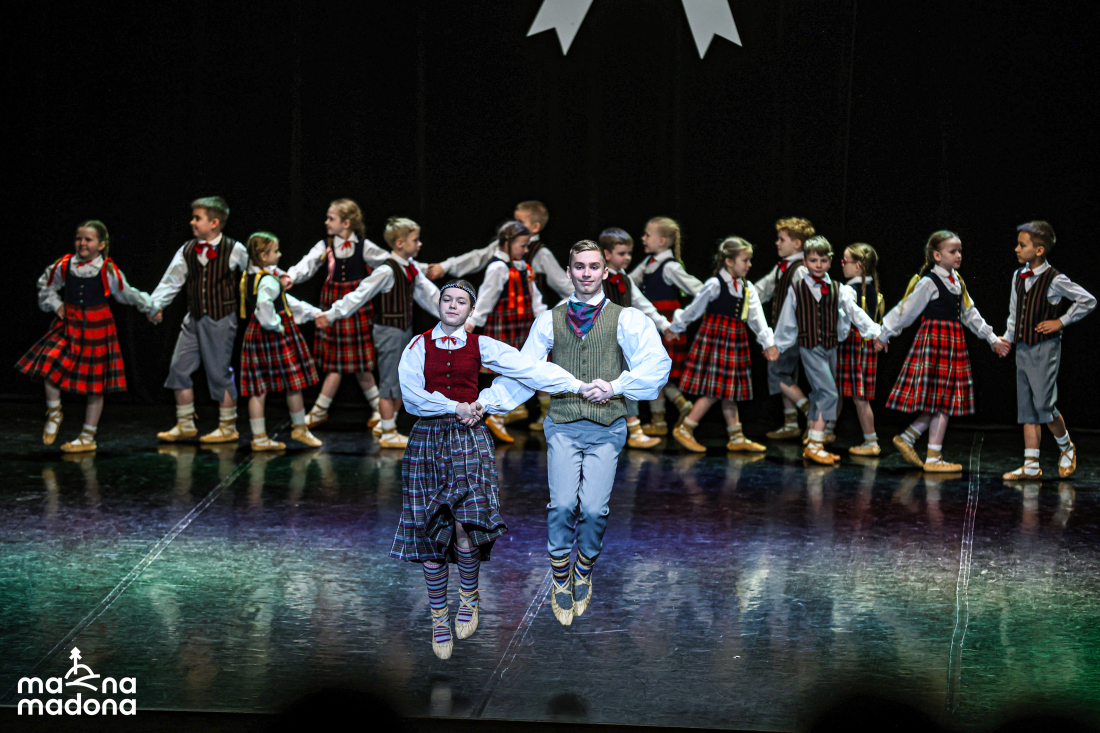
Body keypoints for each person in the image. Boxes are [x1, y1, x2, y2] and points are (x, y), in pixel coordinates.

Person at [391, 279, 588, 659]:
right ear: (439, 305)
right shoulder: (418, 345)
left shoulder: (481, 344)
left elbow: (529, 370)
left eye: (460, 302)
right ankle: (438, 616)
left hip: (468, 439)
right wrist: (453, 407)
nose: (452, 306)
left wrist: (576, 386)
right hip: (428, 440)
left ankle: (469, 595)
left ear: (471, 310)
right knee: (428, 532)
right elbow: (412, 397)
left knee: (466, 522)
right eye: (447, 299)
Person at [499, 240, 671, 627]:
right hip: (563, 423)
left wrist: (616, 386)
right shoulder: (550, 319)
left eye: (594, 266)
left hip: (607, 426)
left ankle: (584, 568)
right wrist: (487, 404)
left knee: (593, 510)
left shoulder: (626, 319)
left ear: (605, 272)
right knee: (562, 505)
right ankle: (561, 574)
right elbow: (525, 369)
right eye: (580, 266)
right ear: (569, 271)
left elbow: (656, 364)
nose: (587, 273)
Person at [875, 231, 1011, 472]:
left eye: (960, 251)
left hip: (952, 343)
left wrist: (992, 339)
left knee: (943, 400)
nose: (958, 255)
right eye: (953, 251)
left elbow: (969, 313)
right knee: (942, 400)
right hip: (935, 343)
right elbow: (905, 311)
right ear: (937, 255)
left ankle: (913, 441)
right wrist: (884, 334)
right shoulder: (929, 282)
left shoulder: (957, 281)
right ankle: (930, 456)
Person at [17, 220, 157, 452]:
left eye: (88, 239)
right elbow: (46, 286)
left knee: (94, 384)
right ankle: (54, 412)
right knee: (49, 362)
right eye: (79, 238)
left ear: (101, 244)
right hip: (69, 323)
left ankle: (87, 437)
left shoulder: (107, 270)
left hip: (96, 326)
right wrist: (56, 305)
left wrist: (150, 307)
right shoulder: (64, 265)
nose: (82, 243)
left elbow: (127, 294)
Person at [314, 217, 441, 449]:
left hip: (404, 331)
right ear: (400, 243)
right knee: (389, 383)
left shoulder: (410, 267)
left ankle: (386, 424)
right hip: (389, 332)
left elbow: (429, 295)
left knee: (403, 381)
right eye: (415, 240)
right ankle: (389, 432)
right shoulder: (386, 271)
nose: (420, 244)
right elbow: (359, 295)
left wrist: (455, 316)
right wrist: (331, 314)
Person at [282, 199, 391, 430]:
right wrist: (291, 276)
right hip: (332, 305)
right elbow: (307, 264)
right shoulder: (325, 245)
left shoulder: (364, 246)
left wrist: (413, 269)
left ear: (347, 223)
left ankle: (327, 410)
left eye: (331, 218)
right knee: (337, 361)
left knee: (359, 362)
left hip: (357, 306)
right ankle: (370, 408)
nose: (326, 222)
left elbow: (391, 263)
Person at [773, 236, 883, 465]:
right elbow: (786, 320)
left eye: (823, 260)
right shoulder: (798, 288)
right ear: (805, 261)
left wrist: (875, 331)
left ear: (830, 262)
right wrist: (777, 345)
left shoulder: (838, 288)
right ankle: (815, 444)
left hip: (831, 348)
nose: (818, 265)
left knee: (820, 394)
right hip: (811, 346)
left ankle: (815, 441)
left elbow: (854, 313)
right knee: (829, 394)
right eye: (813, 260)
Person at [150, 196, 249, 443]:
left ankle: (228, 426)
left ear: (214, 223)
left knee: (219, 373)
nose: (192, 222)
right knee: (178, 369)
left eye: (198, 218)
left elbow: (256, 272)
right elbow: (171, 280)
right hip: (194, 318)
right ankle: (185, 423)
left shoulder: (233, 248)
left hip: (220, 318)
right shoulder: (187, 249)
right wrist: (156, 305)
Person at [999, 221, 1094, 479]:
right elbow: (1014, 314)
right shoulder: (1018, 276)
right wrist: (1007, 339)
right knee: (1027, 408)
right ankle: (1031, 465)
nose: (1017, 249)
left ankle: (1066, 446)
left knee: (1043, 404)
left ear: (1039, 250)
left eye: (1022, 245)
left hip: (1045, 347)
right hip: (1023, 347)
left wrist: (1061, 321)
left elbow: (1087, 300)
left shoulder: (1054, 279)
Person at [669, 236, 779, 453]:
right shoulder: (715, 284)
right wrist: (676, 327)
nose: (749, 265)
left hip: (734, 340)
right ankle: (686, 428)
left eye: (749, 260)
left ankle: (736, 436)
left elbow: (757, 317)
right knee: (715, 389)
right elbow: (694, 309)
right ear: (729, 261)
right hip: (716, 340)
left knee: (728, 390)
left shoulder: (746, 287)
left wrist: (768, 343)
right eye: (745, 260)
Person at [462, 221, 547, 442]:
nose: (526, 250)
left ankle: (506, 413)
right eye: (522, 245)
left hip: (522, 326)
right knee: (505, 369)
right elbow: (486, 297)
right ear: (507, 243)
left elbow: (534, 296)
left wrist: (544, 318)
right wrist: (473, 321)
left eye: (527, 246)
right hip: (504, 324)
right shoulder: (498, 267)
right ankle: (497, 416)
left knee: (521, 368)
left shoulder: (523, 267)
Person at [238, 232, 324, 451]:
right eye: (275, 251)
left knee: (258, 387)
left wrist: (312, 312)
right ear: (263, 256)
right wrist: (276, 324)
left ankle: (259, 437)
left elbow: (279, 299)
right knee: (293, 383)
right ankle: (299, 428)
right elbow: (265, 305)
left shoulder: (249, 275)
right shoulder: (267, 280)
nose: (279, 254)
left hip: (255, 333)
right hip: (273, 333)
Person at [598, 227, 675, 449]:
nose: (627, 258)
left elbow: (643, 304)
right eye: (622, 253)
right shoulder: (598, 278)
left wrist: (664, 325)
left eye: (629, 253)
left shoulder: (625, 278)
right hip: (601, 341)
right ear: (606, 254)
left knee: (626, 383)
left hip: (621, 341)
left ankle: (634, 431)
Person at [628, 217, 703, 435]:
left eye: (647, 235)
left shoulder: (670, 267)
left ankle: (672, 413)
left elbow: (700, 290)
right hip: (650, 322)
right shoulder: (648, 263)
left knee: (658, 371)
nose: (643, 238)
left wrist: (685, 317)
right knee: (652, 371)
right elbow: (627, 282)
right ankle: (665, 417)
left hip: (666, 323)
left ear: (662, 240)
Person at [754, 217, 814, 441]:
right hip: (784, 333)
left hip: (790, 334)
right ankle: (791, 423)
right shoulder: (782, 268)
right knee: (786, 376)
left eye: (782, 239)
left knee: (778, 374)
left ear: (797, 244)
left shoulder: (799, 270)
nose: (777, 243)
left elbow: (809, 300)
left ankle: (810, 413)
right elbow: (761, 290)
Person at [836, 243, 886, 455]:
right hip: (866, 346)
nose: (842, 265)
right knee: (853, 395)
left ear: (857, 266)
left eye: (844, 261)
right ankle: (826, 431)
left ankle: (871, 442)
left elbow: (852, 314)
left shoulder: (848, 290)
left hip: (853, 345)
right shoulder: (874, 290)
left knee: (850, 395)